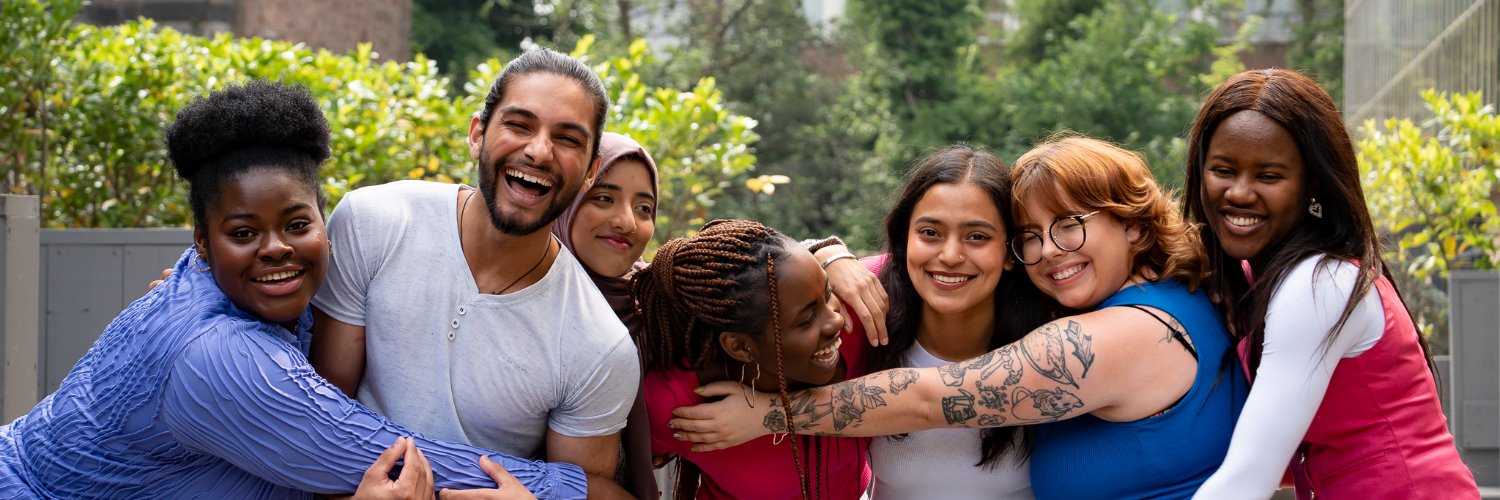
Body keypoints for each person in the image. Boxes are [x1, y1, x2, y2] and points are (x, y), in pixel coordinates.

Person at [0, 81, 581, 498]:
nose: (276, 247)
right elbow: (398, 461)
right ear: (201, 242)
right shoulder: (224, 358)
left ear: (325, 220)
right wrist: (571, 489)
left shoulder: (228, 286)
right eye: (244, 233)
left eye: (297, 224)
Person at [669, 136, 1250, 499]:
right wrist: (830, 253)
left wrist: (772, 415)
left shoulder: (1112, 331)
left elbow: (929, 398)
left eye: (1071, 224)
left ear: (1134, 224)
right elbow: (769, 274)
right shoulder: (1187, 291)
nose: (1050, 251)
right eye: (1032, 236)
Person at [309, 48, 638, 497]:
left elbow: (591, 489)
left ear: (589, 173)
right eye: (519, 125)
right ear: (477, 135)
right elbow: (318, 419)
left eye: (567, 139)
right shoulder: (375, 222)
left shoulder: (600, 347)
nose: (539, 151)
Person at [1186, 69, 1478, 498]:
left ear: (1313, 185)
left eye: (1268, 176)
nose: (1240, 193)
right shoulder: (1256, 275)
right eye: (1223, 170)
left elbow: (1249, 479)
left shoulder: (1320, 284)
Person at [631, 219, 871, 499]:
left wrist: (832, 252)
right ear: (739, 346)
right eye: (806, 319)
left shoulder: (863, 320)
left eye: (827, 294)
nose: (836, 321)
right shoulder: (678, 403)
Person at [859, 145, 1045, 498]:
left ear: (1009, 252)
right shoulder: (871, 321)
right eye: (930, 232)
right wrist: (828, 252)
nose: (949, 256)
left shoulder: (1048, 337)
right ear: (905, 240)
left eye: (977, 237)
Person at [550, 131, 660, 499]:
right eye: (604, 198)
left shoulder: (657, 300)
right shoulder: (517, 295)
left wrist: (827, 254)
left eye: (644, 208)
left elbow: (759, 281)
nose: (627, 221)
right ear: (567, 200)